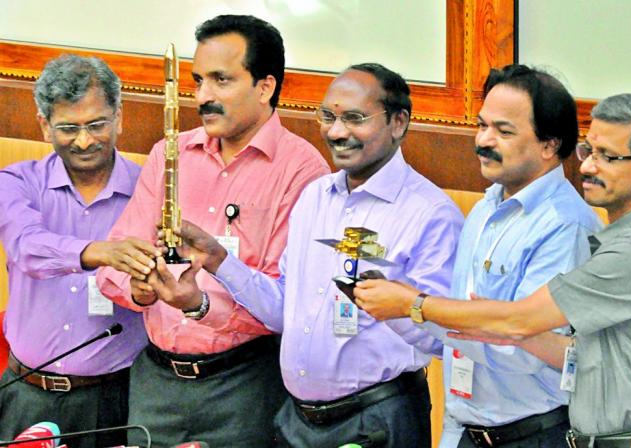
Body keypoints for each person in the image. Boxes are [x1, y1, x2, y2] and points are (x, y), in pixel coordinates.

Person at [355, 93, 631, 447]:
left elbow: (520, 318)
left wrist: (416, 304)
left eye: (607, 157)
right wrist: (508, 333)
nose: (588, 167)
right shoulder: (630, 236)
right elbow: (590, 355)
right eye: (588, 151)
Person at [170, 62, 464, 447]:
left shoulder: (431, 214)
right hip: (297, 420)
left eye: (355, 119)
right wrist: (219, 262)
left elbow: (446, 338)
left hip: (377, 420)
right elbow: (282, 311)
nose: (337, 132)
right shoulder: (315, 197)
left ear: (398, 123)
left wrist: (400, 306)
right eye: (328, 117)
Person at [96, 15, 329, 447]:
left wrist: (200, 304)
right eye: (198, 80)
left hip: (245, 386)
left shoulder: (302, 170)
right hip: (157, 384)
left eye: (221, 80)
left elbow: (287, 301)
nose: (203, 96)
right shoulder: (170, 152)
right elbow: (112, 263)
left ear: (265, 87)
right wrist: (141, 288)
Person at [400, 64, 603, 447]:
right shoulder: (484, 208)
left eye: (503, 131)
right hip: (465, 428)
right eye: (482, 125)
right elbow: (462, 334)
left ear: (549, 145)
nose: (483, 140)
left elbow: (527, 351)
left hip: (531, 433)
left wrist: (416, 307)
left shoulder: (565, 225)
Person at [0, 55, 155, 447]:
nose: (84, 141)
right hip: (25, 393)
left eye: (97, 124)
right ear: (44, 124)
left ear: (119, 117)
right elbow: (26, 247)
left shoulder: (150, 192)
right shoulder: (17, 182)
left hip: (117, 399)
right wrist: (98, 252)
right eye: (68, 128)